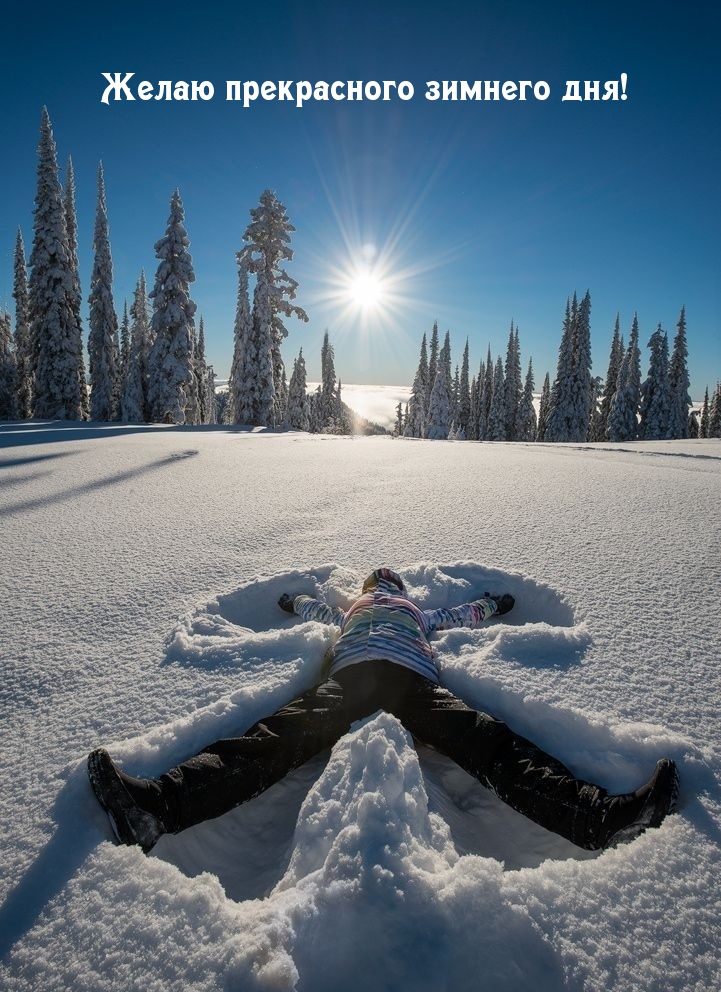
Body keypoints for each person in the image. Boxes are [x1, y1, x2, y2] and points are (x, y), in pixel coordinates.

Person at [88, 568, 679, 854]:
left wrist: (492, 605)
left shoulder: (417, 616)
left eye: (388, 584)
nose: (385, 589)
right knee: (270, 740)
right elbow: (318, 612)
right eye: (381, 584)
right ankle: (157, 807)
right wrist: (295, 601)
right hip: (359, 680)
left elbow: (460, 617)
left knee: (492, 744)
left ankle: (600, 818)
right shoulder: (354, 613)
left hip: (408, 684)